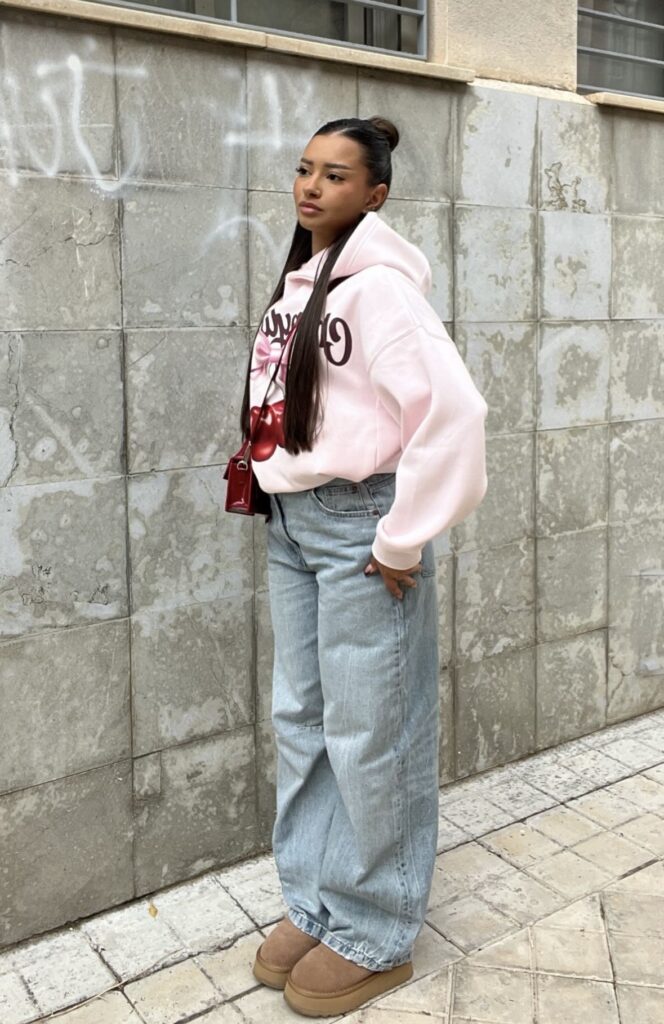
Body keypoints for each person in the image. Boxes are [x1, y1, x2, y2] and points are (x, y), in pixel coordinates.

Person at [240, 115, 488, 1017]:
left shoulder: (380, 290)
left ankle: (376, 927)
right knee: (304, 718)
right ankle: (317, 900)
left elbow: (454, 413)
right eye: (305, 169)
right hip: (295, 523)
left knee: (371, 728)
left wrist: (400, 537)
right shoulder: (304, 284)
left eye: (336, 175)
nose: (312, 187)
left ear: (375, 194)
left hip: (358, 529)